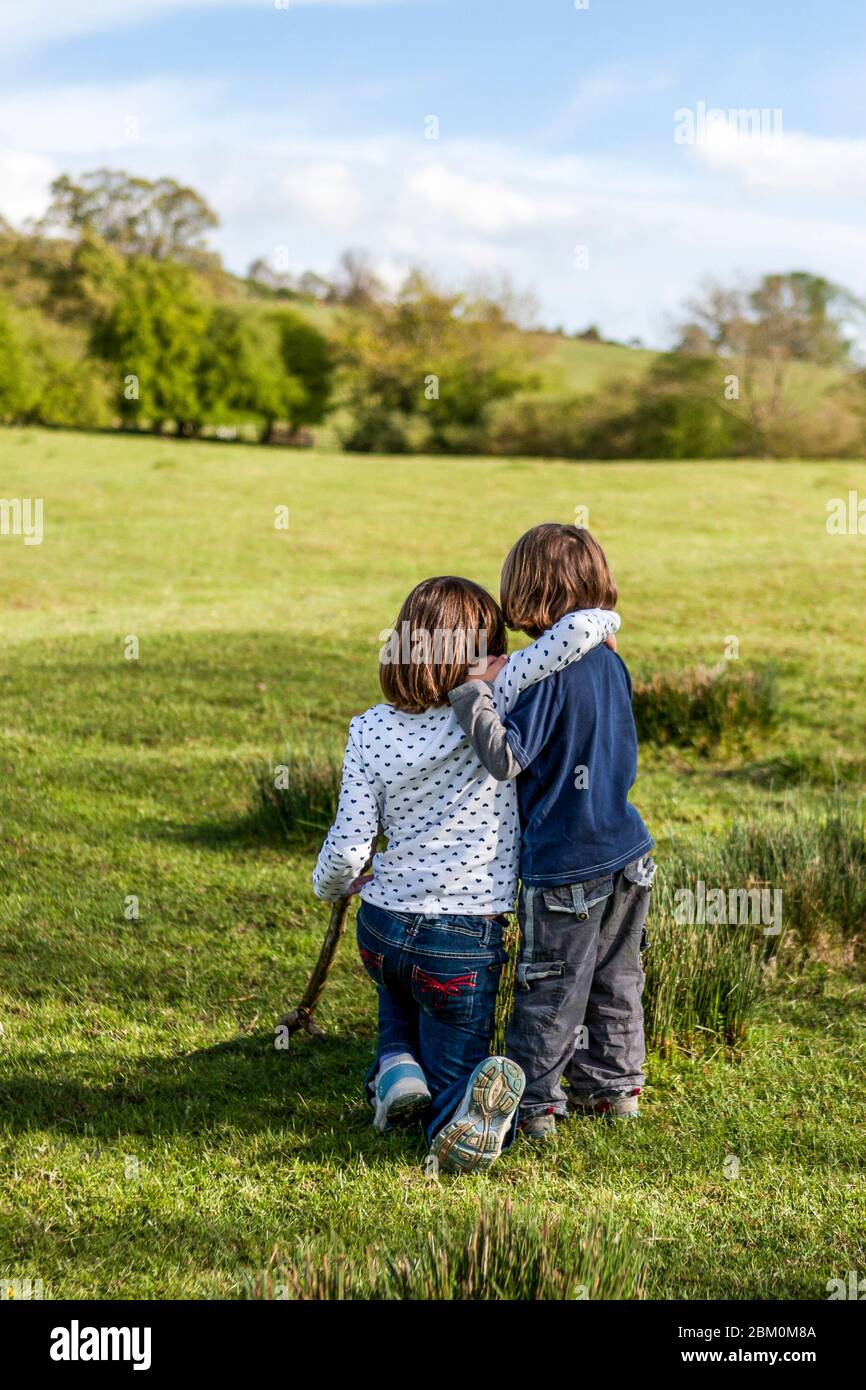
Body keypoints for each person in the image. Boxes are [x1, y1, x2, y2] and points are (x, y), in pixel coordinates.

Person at [313, 574, 619, 1172]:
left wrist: (331, 885)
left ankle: (395, 1070)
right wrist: (607, 620)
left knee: (396, 992)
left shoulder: (368, 728)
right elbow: (575, 629)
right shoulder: (492, 698)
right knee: (456, 1074)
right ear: (483, 651)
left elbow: (349, 848)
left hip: (382, 927)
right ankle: (464, 1121)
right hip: (461, 938)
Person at [448, 525, 654, 1139]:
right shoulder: (611, 661)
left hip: (566, 864)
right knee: (617, 979)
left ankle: (535, 1103)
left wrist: (473, 695)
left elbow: (507, 758)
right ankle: (613, 1090)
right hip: (628, 852)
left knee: (551, 987)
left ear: (526, 590)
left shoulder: (544, 677)